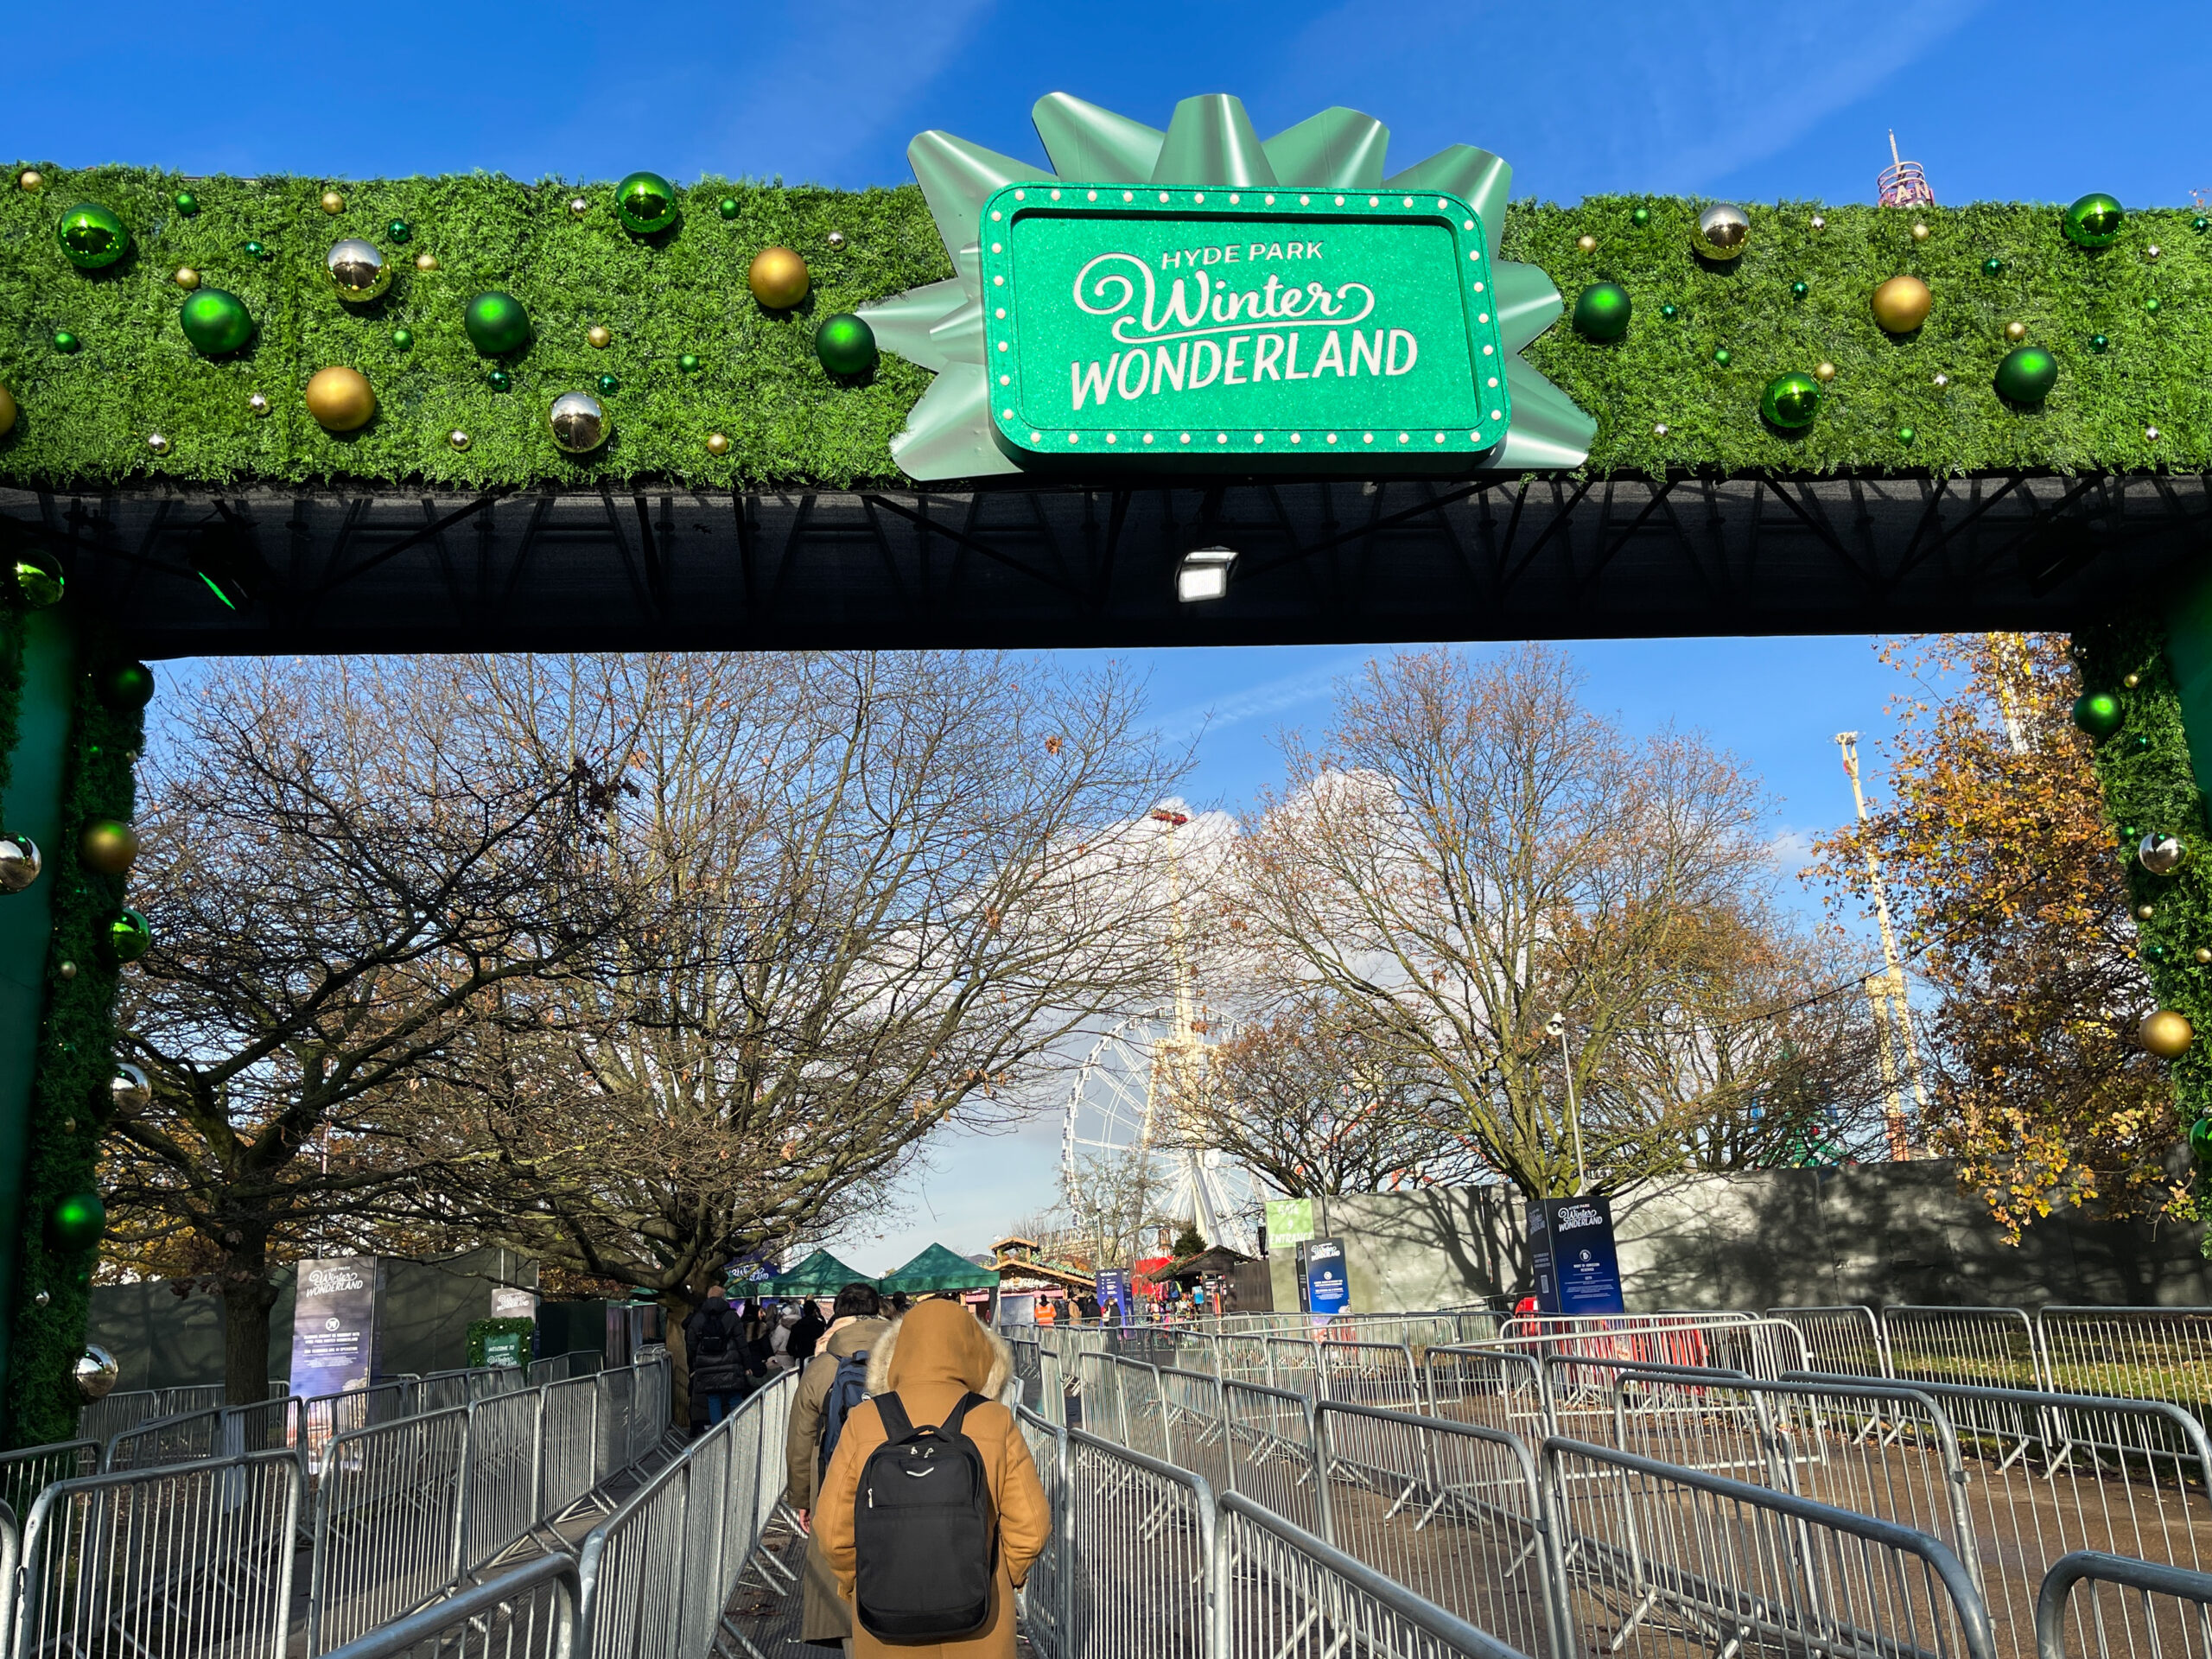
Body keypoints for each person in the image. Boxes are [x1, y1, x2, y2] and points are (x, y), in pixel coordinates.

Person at [817, 1299, 1050, 1659]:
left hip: (886, 1619)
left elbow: (833, 1531)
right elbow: (1032, 1527)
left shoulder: (865, 1420)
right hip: (981, 1620)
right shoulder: (994, 1419)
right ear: (977, 1352)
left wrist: (857, 1579)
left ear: (898, 1351)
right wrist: (999, 1577)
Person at [785, 1282, 893, 1649]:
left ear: (838, 1314)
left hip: (834, 1479)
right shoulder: (903, 1356)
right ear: (876, 1309)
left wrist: (803, 1498)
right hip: (899, 1477)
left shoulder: (823, 1365)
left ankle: (852, 1644)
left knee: (839, 1567)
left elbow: (801, 1437)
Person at [682, 1285, 747, 1427]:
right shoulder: (732, 1316)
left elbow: (691, 1344)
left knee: (713, 1399)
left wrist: (695, 1363)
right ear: (723, 1297)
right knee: (734, 1398)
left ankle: (717, 1433)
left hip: (707, 1366)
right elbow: (742, 1342)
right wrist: (747, 1364)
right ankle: (738, 1431)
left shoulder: (698, 1318)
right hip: (731, 1364)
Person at [791, 1299, 828, 1363]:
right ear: (815, 1310)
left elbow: (790, 1347)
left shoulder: (796, 1325)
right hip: (816, 1357)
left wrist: (798, 1355)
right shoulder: (820, 1325)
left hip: (802, 1357)